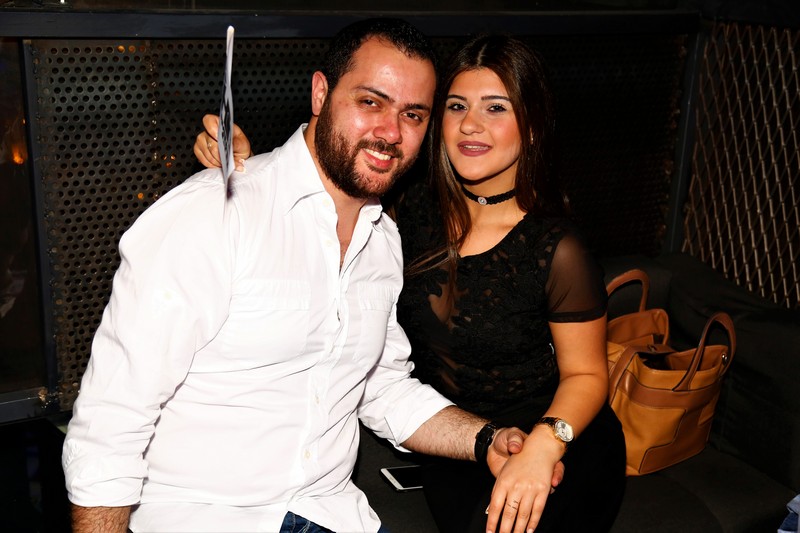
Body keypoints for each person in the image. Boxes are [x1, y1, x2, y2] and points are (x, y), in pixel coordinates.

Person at [63, 19, 562, 533]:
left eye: (412, 114)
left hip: (331, 513)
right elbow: (112, 418)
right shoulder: (213, 215)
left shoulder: (382, 241)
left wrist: (487, 439)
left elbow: (380, 387)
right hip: (203, 515)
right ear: (321, 93)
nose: (390, 132)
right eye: (370, 102)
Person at [197, 33, 626, 532]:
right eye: (457, 106)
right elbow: (327, 174)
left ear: (530, 128)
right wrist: (249, 166)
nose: (470, 124)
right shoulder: (403, 205)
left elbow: (587, 375)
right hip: (454, 436)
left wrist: (544, 446)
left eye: (495, 108)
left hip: (556, 433)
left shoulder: (556, 247)